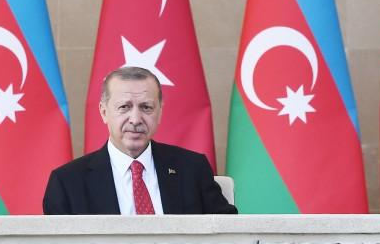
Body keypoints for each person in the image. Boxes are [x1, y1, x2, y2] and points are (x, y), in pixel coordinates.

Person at [43, 66, 237, 215]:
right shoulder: (67, 183)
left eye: (146, 107)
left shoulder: (192, 169)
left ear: (160, 111)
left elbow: (229, 236)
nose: (135, 119)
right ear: (104, 112)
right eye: (124, 107)